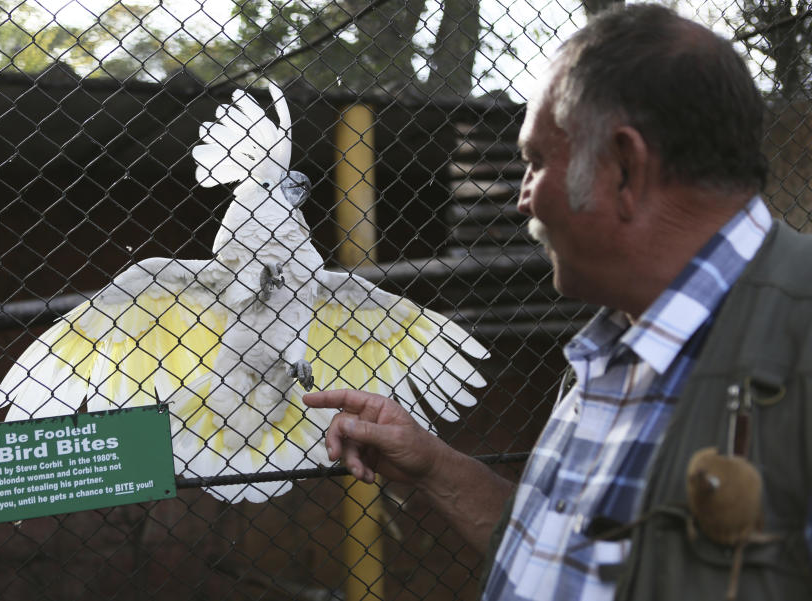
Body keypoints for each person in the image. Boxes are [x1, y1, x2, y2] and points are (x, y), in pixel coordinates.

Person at [304, 4, 812, 600]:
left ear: (624, 167)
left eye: (537, 163)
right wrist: (435, 467)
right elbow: (565, 557)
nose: (522, 200)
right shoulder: (615, 341)